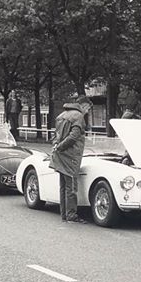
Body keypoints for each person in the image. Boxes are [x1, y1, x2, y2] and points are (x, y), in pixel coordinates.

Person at [50, 95, 92, 223]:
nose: (88, 112)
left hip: (60, 156)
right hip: (71, 157)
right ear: (84, 106)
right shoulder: (78, 116)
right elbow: (73, 137)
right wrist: (61, 147)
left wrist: (57, 146)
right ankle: (72, 215)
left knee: (63, 186)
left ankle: (64, 214)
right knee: (72, 188)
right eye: (88, 109)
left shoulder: (62, 115)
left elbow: (56, 135)